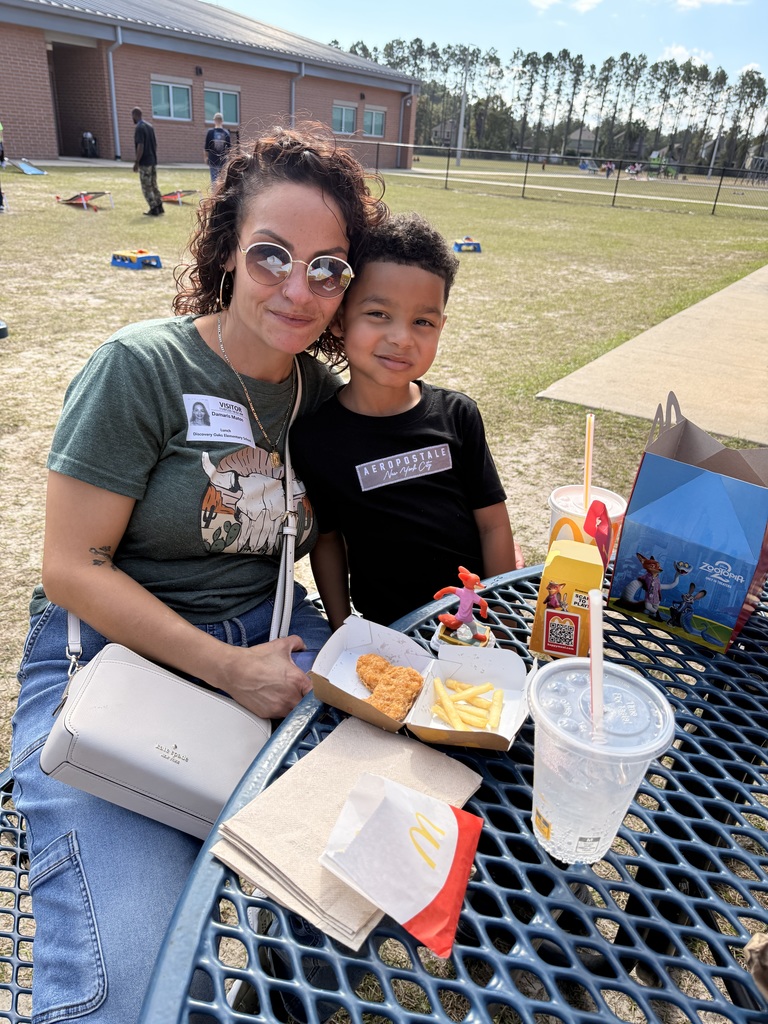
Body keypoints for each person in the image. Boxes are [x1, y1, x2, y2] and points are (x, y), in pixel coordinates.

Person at [11, 121, 387, 1024]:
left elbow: (339, 534)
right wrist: (225, 668)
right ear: (225, 251)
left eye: (327, 266)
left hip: (273, 646)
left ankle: (272, 995)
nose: (299, 290)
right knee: (129, 994)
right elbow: (71, 567)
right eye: (272, 256)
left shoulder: (324, 402)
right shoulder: (141, 367)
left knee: (379, 868)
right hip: (113, 666)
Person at [291, 212, 521, 630]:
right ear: (341, 318)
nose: (401, 338)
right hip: (387, 629)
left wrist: (499, 615)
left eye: (423, 322)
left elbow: (493, 525)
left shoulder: (458, 415)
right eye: (379, 313)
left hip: (471, 621)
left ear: (441, 327)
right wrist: (343, 627)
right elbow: (328, 541)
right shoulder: (314, 438)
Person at [132, 106, 164, 216]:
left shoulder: (139, 128)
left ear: (135, 115)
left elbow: (140, 145)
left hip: (145, 162)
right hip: (153, 160)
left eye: (133, 116)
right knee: (154, 184)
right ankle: (160, 206)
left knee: (146, 186)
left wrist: (137, 162)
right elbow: (155, 144)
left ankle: (153, 208)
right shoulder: (150, 127)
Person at [204, 111, 232, 185]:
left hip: (212, 160)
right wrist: (229, 159)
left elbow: (206, 147)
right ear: (222, 121)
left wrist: (206, 157)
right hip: (223, 160)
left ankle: (215, 194)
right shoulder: (226, 133)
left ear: (214, 121)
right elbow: (229, 149)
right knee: (222, 180)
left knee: (214, 180)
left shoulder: (210, 132)